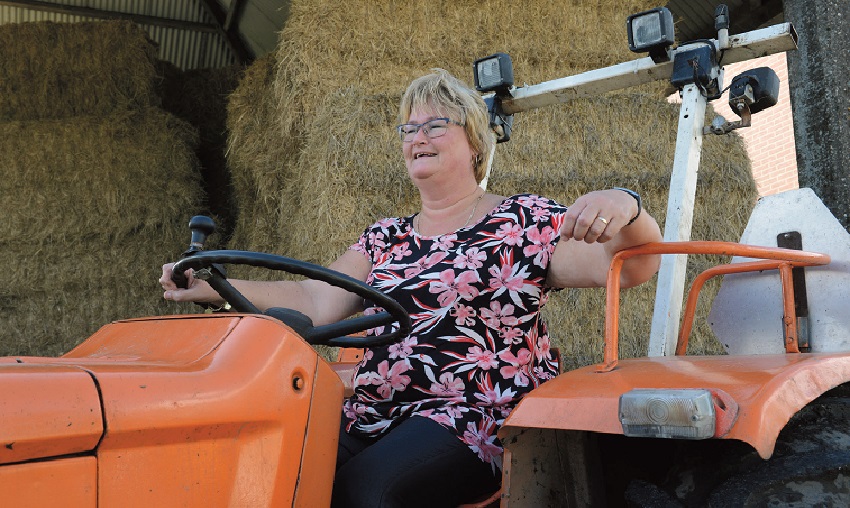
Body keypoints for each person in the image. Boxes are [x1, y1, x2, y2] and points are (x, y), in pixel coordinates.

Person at [160, 69, 663, 508]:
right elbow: (317, 303)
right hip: (375, 411)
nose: (417, 136)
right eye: (409, 128)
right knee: (277, 467)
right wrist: (212, 289)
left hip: (474, 415)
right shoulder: (385, 237)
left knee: (367, 491)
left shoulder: (522, 220)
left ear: (473, 141)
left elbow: (629, 266)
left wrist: (626, 205)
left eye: (434, 124)